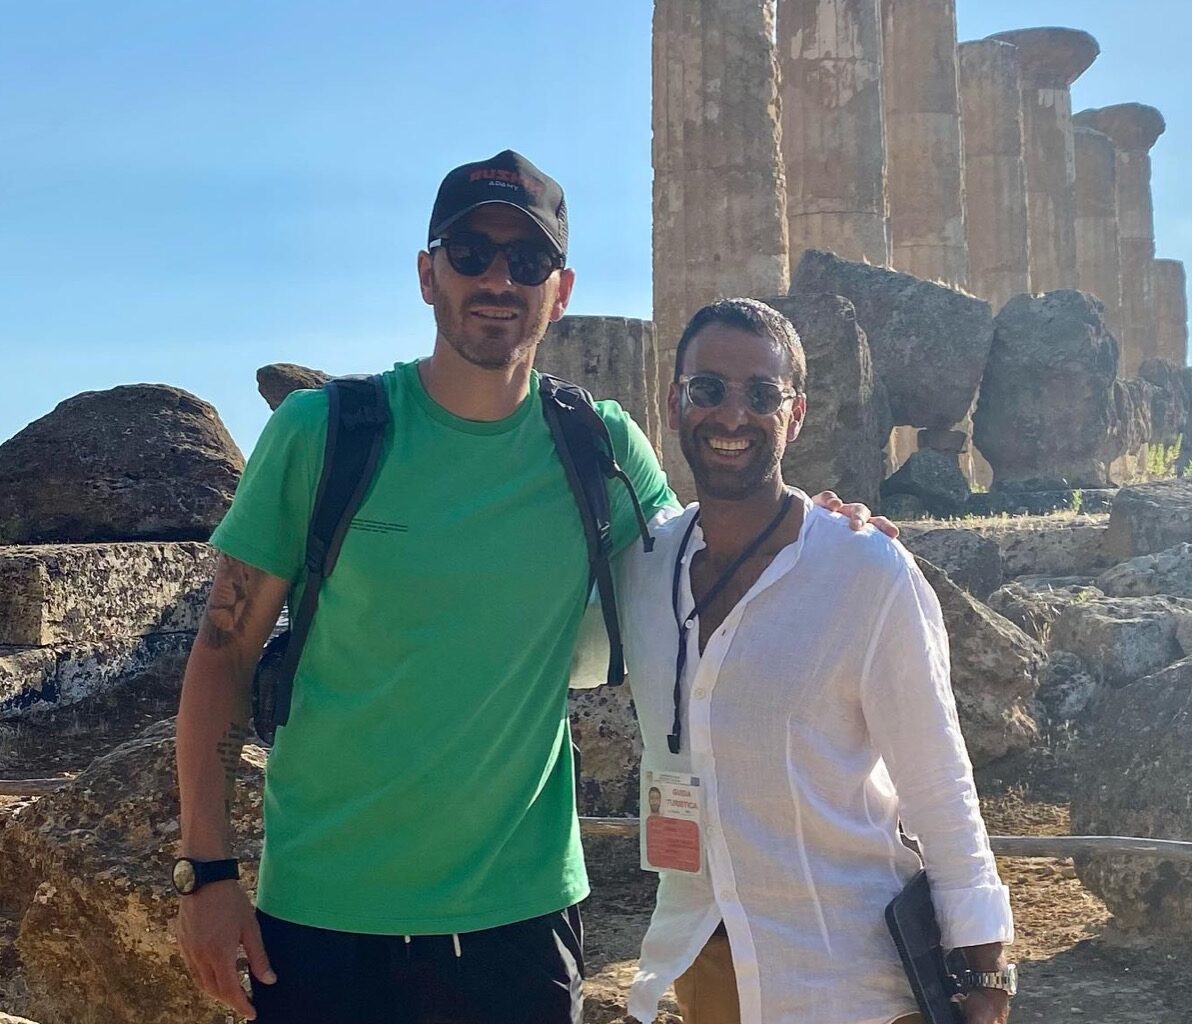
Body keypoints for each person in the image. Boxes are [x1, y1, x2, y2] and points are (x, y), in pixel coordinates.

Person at [173, 151, 891, 1024]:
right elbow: (222, 655)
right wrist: (206, 871)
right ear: (427, 275)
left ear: (561, 289)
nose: (498, 279)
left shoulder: (598, 447)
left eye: (528, 259)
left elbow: (703, 567)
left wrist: (819, 531)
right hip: (324, 916)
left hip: (519, 922)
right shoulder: (322, 435)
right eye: (470, 253)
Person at [609, 298, 1015, 1024]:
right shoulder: (643, 567)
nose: (733, 415)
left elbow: (938, 781)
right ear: (673, 404)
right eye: (709, 389)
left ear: (794, 416)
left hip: (848, 976)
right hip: (707, 962)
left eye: (762, 394)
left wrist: (985, 966)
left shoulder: (866, 570)